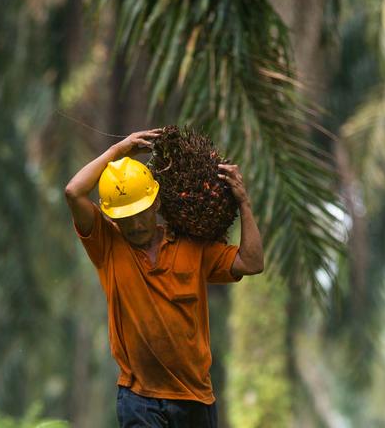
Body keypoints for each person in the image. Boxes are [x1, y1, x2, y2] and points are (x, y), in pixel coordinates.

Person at [64, 128, 264, 428]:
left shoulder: (193, 247)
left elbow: (252, 261)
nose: (134, 224)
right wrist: (119, 151)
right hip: (138, 397)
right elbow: (73, 191)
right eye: (124, 217)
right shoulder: (107, 245)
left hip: (195, 398)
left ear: (156, 203)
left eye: (140, 212)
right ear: (112, 218)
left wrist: (244, 203)